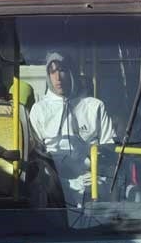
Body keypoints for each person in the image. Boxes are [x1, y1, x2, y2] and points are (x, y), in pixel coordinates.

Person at [28, 52, 116, 200]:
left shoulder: (94, 106)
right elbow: (36, 150)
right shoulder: (39, 109)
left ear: (72, 72)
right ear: (48, 76)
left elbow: (109, 146)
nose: (58, 77)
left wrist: (91, 161)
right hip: (54, 181)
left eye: (62, 70)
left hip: (90, 179)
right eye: (52, 71)